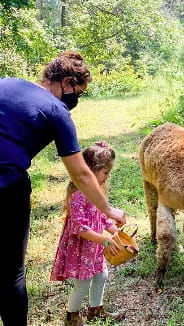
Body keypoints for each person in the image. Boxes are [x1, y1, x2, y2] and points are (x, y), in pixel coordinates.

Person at [0, 51, 126, 326]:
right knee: (11, 274)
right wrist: (109, 210)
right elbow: (80, 173)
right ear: (66, 82)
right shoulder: (57, 111)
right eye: (77, 94)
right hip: (6, 186)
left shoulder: (7, 82)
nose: (75, 101)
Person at [51, 142, 123, 325]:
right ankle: (71, 316)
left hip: (95, 248)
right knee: (82, 284)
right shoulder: (77, 196)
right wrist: (105, 239)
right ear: (91, 170)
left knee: (102, 276)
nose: (107, 177)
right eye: (105, 172)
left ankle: (95, 310)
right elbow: (79, 229)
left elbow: (102, 217)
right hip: (81, 250)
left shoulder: (96, 193)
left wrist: (115, 231)